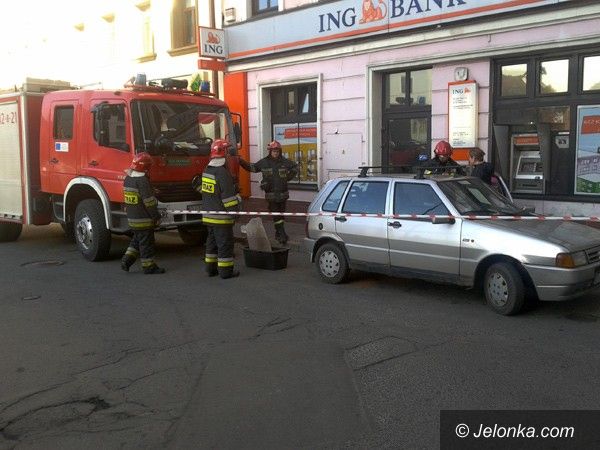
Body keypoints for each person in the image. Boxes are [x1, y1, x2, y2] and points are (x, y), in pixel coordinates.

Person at [194, 139, 241, 279]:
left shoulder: (207, 170)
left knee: (211, 244)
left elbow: (208, 192)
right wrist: (235, 211)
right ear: (224, 154)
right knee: (225, 245)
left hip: (209, 217)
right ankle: (226, 272)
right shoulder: (223, 173)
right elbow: (228, 199)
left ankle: (211, 269)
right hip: (221, 218)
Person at [239, 140, 298, 245]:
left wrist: (288, 177)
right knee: (276, 215)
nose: (276, 153)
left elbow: (295, 167)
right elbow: (252, 168)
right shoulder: (264, 162)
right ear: (270, 151)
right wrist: (240, 161)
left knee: (281, 215)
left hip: (283, 194)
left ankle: (279, 233)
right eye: (274, 151)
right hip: (271, 195)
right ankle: (281, 234)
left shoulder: (284, 162)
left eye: (277, 151)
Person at [121, 152, 165, 274]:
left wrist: (151, 190)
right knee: (147, 244)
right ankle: (148, 266)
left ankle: (126, 261)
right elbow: (149, 202)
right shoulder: (142, 181)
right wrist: (156, 216)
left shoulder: (128, 179)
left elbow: (136, 195)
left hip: (132, 218)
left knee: (137, 240)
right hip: (144, 220)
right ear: (145, 167)